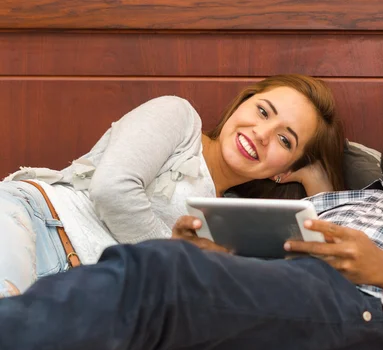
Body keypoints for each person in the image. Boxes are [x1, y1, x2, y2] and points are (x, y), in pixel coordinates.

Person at [0, 91, 383, 350]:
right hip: (271, 292)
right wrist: (207, 251)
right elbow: (249, 269)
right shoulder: (333, 202)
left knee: (155, 275)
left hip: (371, 308)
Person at [0, 74, 345, 297]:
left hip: (79, 288)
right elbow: (112, 190)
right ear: (241, 104)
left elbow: (310, 258)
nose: (261, 133)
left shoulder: (234, 224)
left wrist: (313, 175)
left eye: (285, 141)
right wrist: (177, 257)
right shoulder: (179, 118)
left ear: (283, 172)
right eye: (263, 112)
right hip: (36, 221)